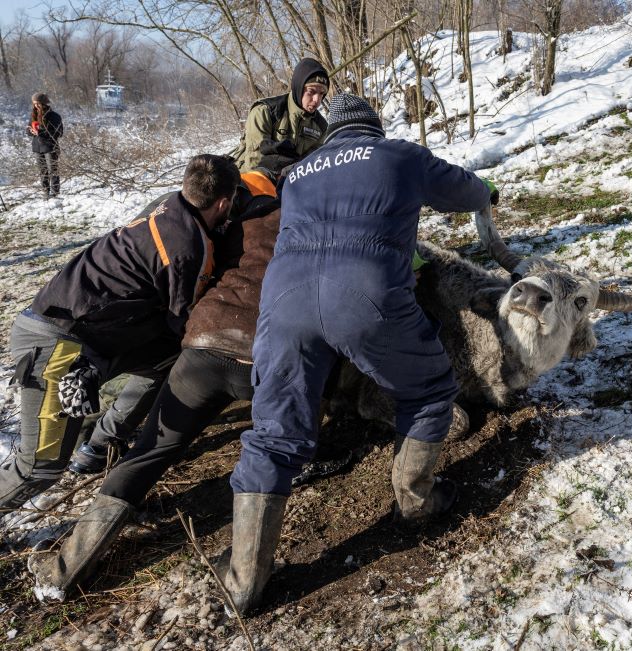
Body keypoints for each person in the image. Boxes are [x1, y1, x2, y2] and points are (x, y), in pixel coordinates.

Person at [222, 93, 494, 613]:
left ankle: (244, 580)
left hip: (283, 301)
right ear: (374, 128)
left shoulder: (299, 173)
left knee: (275, 429)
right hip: (365, 293)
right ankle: (416, 502)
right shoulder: (398, 154)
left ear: (331, 135)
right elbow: (463, 189)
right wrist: (487, 192)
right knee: (430, 388)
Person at [30, 157, 288, 599]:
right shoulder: (309, 222)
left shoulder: (229, 227)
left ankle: (64, 570)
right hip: (259, 357)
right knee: (273, 447)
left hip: (201, 347)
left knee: (149, 452)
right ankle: (243, 581)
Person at [0, 155, 239, 514]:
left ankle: (101, 444)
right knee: (40, 467)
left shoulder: (166, 205)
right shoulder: (189, 250)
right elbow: (185, 321)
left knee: (168, 362)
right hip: (57, 346)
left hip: (82, 331)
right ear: (224, 202)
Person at [230, 58, 329, 172]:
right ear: (299, 88)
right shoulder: (265, 111)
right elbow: (254, 164)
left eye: (322, 93)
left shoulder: (321, 127)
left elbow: (314, 166)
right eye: (311, 92)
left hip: (293, 183)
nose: (317, 99)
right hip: (250, 182)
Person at [28, 93, 64, 198]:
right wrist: (31, 131)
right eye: (34, 104)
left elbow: (59, 133)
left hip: (50, 147)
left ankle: (55, 192)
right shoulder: (33, 115)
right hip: (37, 147)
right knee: (42, 171)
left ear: (44, 103)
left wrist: (40, 132)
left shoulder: (54, 116)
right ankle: (45, 192)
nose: (36, 106)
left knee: (52, 169)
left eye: (38, 104)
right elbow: (27, 129)